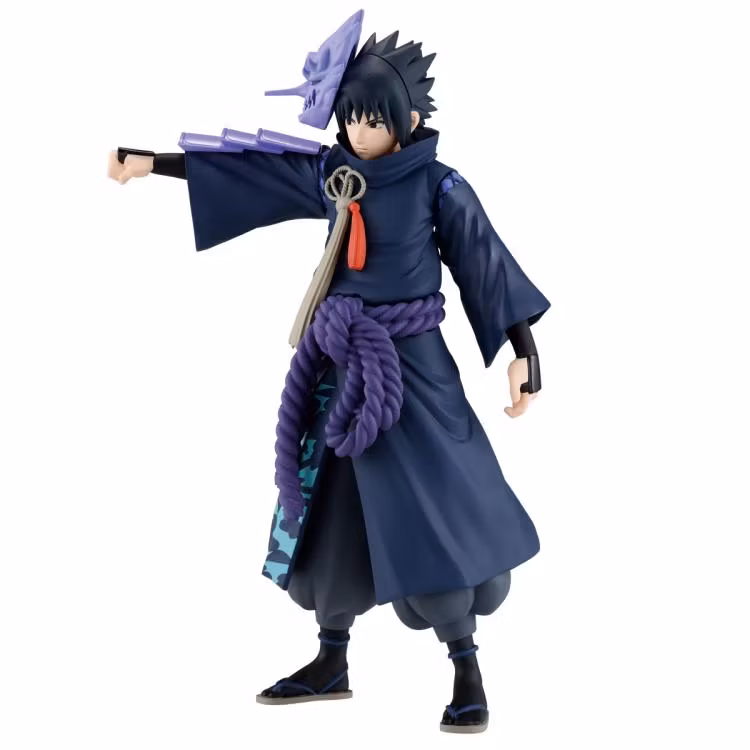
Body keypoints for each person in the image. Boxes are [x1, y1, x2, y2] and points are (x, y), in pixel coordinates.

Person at [108, 14, 550, 735]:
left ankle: (466, 666)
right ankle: (331, 659)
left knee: (436, 510)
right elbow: (256, 171)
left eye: (371, 120)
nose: (357, 132)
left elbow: (484, 260)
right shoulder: (335, 176)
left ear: (406, 122)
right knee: (326, 509)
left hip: (412, 375)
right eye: (349, 118)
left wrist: (522, 349)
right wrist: (153, 162)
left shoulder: (438, 186)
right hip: (340, 366)